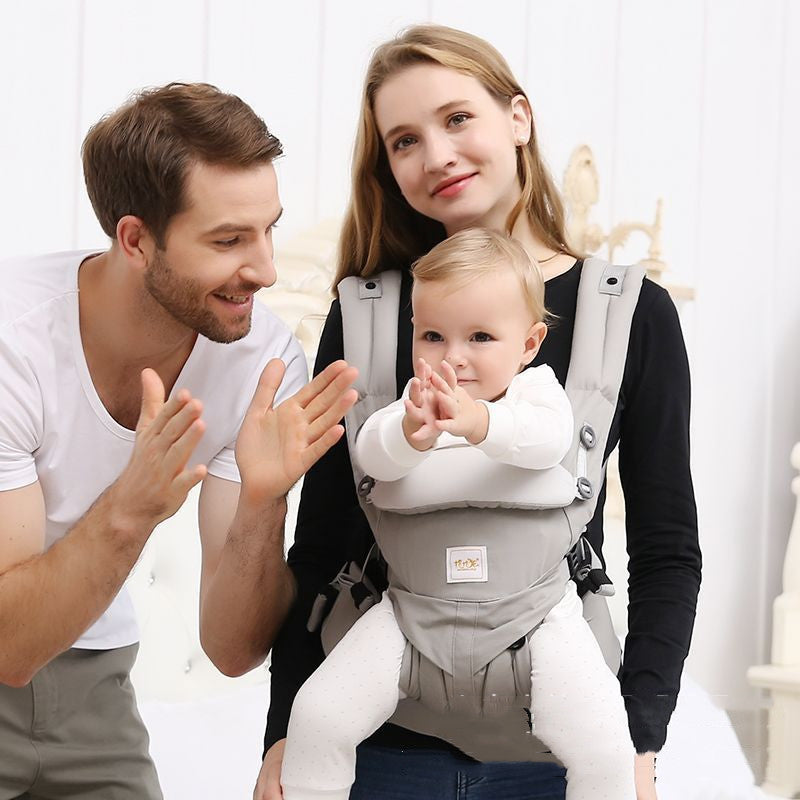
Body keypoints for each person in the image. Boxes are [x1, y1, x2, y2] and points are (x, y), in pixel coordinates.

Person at [259, 24, 701, 800]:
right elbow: (323, 541)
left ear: (519, 119)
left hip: (557, 743)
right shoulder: (365, 313)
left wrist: (638, 736)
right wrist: (286, 734)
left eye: (457, 118)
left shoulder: (632, 314)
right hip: (384, 740)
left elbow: (668, 551)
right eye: (404, 141)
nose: (436, 155)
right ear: (390, 170)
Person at [0, 82, 356, 800]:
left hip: (95, 685)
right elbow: (10, 647)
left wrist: (263, 499)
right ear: (135, 240)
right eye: (229, 240)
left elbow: (231, 652)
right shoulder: (14, 340)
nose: (264, 269)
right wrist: (131, 507)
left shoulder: (261, 361)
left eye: (268, 230)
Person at [279, 228, 636, 800]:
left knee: (607, 744)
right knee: (319, 715)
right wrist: (409, 437)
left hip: (535, 617)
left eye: (480, 337)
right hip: (411, 614)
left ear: (528, 344)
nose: (454, 357)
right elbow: (369, 453)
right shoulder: (411, 403)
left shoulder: (536, 395)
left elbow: (550, 443)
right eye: (433, 335)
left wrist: (480, 425)